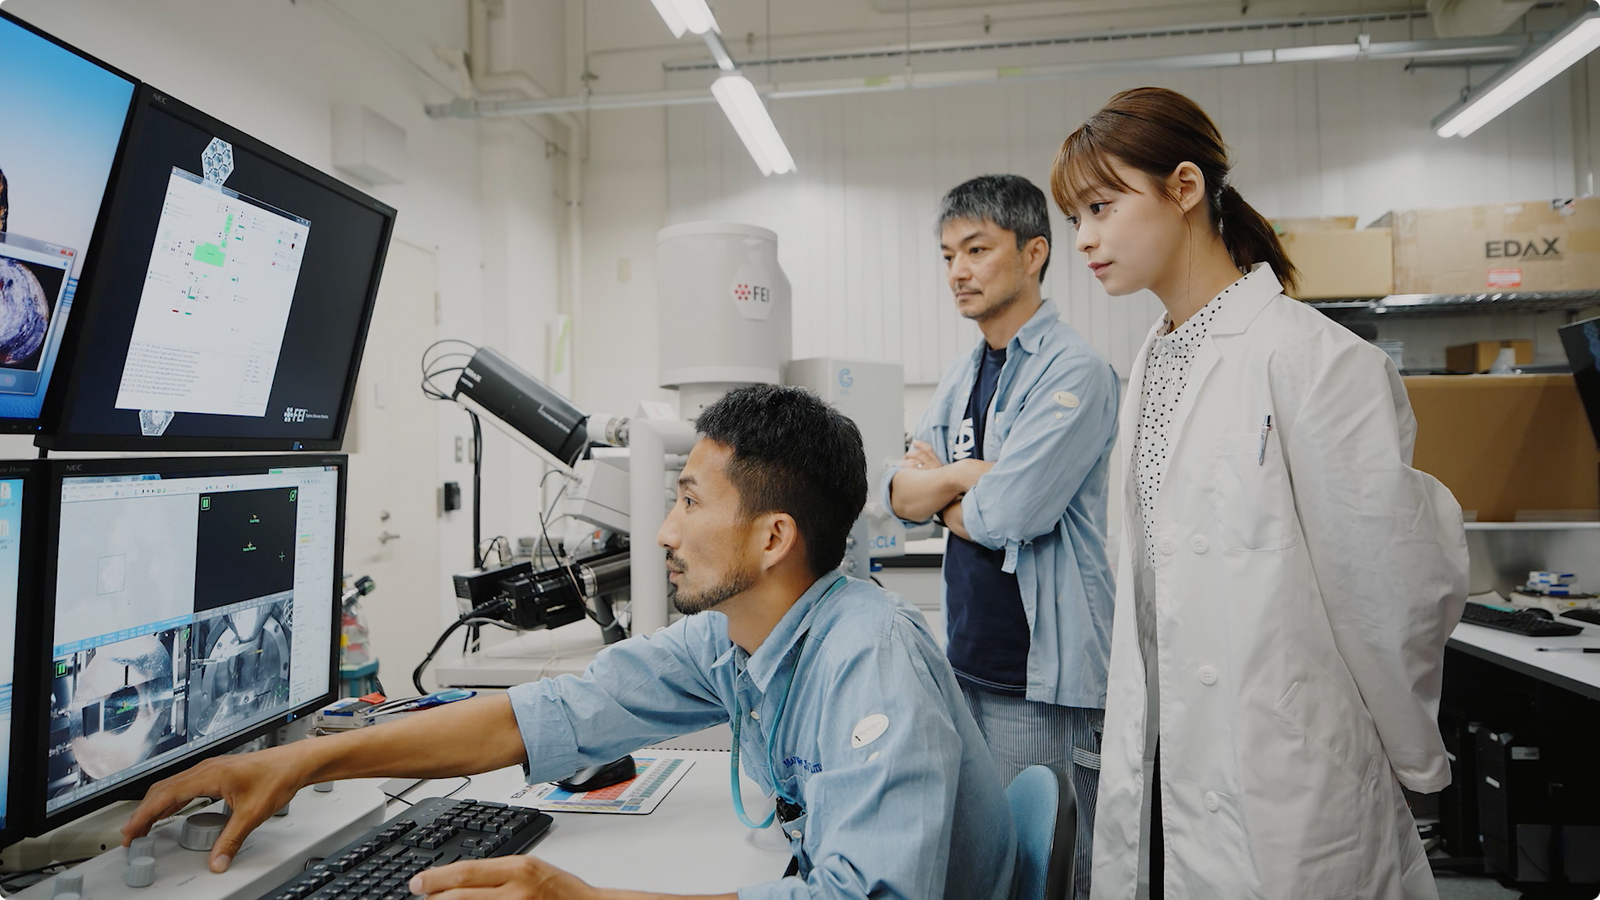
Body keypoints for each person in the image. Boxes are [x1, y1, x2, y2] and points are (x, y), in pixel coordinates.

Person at [122, 384, 1016, 900]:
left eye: (691, 501)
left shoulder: (869, 661)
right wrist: (305, 765)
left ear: (774, 538)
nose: (664, 532)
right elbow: (536, 718)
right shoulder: (738, 642)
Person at [1050, 87, 1468, 899]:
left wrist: (1414, 752)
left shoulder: (1314, 361)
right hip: (1169, 763)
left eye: (1101, 206)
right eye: (1074, 218)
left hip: (1285, 770)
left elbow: (1390, 583)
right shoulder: (1152, 362)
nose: (1085, 239)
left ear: (1183, 188)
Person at [885, 174, 1118, 900]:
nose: (958, 270)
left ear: (1034, 253)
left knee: (1044, 873)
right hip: (970, 662)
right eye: (948, 254)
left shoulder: (1074, 370)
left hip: (1041, 676)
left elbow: (1010, 515)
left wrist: (948, 489)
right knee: (986, 865)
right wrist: (970, 476)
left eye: (978, 249)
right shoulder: (961, 375)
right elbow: (898, 494)